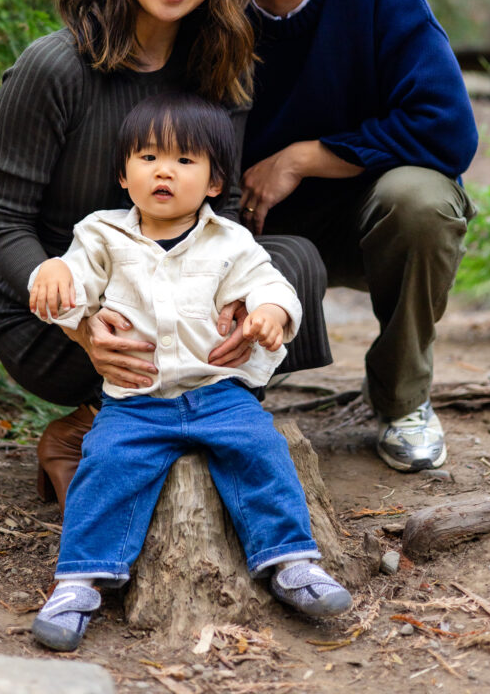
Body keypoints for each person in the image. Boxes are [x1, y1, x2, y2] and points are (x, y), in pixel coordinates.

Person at [0, 0, 331, 512]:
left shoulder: (222, 69)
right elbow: (1, 220)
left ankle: (180, 429)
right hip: (63, 317)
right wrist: (79, 321)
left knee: (293, 268)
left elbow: (219, 209)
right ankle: (86, 423)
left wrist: (235, 298)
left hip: (175, 297)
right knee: (117, 311)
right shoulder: (54, 68)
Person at [29, 93, 352, 651]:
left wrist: (273, 310)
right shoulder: (101, 234)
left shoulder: (229, 241)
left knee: (260, 449)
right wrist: (55, 272)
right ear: (124, 176)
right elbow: (75, 285)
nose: (164, 171)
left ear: (211, 183)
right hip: (136, 397)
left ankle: (292, 561)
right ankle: (79, 580)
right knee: (107, 463)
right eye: (148, 157)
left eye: (184, 160)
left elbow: (267, 283)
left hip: (217, 391)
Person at [223, 0, 479, 473]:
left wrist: (302, 157)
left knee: (420, 200)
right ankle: (223, 389)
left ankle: (401, 399)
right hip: (246, 228)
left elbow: (449, 128)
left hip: (365, 219)